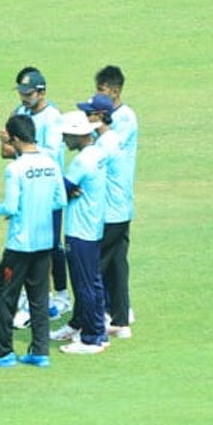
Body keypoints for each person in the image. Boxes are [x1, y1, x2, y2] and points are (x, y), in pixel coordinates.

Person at [0, 115, 65, 368]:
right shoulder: (50, 163)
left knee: (4, 295)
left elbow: (11, 207)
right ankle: (40, 351)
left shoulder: (15, 169)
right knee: (39, 297)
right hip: (44, 241)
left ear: (15, 139)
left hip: (20, 244)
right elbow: (60, 200)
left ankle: (2, 352)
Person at [50, 108, 119, 354]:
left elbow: (58, 191)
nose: (63, 139)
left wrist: (66, 191)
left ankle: (92, 338)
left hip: (80, 230)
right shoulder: (97, 153)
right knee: (93, 282)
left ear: (78, 134)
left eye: (66, 135)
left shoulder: (81, 161)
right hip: (93, 227)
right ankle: (88, 327)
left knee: (84, 285)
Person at [6, 67, 70, 328]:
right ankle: (34, 295)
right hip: (27, 187)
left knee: (51, 244)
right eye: (21, 92)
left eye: (28, 93)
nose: (23, 97)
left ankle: (60, 295)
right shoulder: (20, 113)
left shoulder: (53, 117)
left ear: (41, 92)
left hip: (47, 188)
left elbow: (52, 153)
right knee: (30, 243)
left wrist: (24, 149)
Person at [92, 66, 139, 338]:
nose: (98, 95)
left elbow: (104, 149)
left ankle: (92, 318)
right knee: (117, 261)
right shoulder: (110, 116)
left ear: (115, 91)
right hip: (116, 201)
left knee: (97, 263)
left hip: (114, 201)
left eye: (102, 90)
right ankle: (120, 314)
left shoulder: (124, 119)